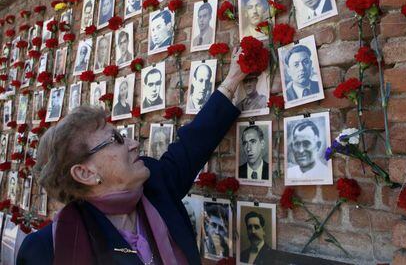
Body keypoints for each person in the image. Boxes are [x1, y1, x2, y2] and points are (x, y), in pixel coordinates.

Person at [17, 47, 246, 265]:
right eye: (116, 139)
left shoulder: (155, 185)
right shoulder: (47, 251)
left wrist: (233, 79)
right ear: (85, 173)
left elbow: (193, 143)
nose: (135, 144)